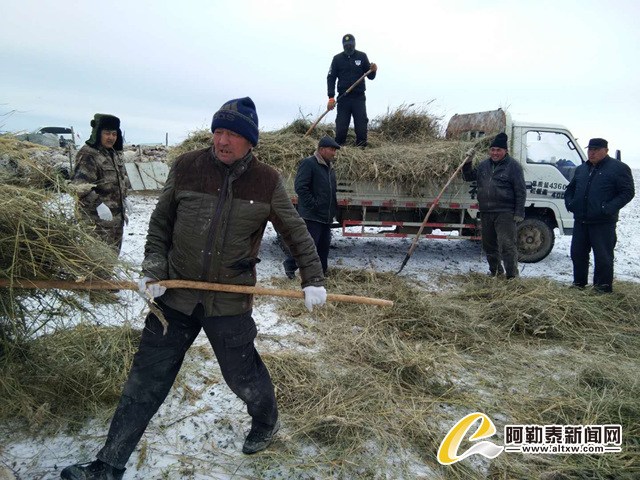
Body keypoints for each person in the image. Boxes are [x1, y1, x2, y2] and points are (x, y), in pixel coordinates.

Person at [61, 97, 328, 480]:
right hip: (175, 295)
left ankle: (265, 421)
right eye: (218, 131)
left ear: (250, 141)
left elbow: (296, 231)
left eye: (232, 134)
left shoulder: (266, 180)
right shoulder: (187, 167)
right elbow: (160, 223)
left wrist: (312, 278)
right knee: (145, 379)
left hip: (229, 301)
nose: (222, 140)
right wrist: (154, 268)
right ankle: (109, 464)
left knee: (242, 376)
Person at [564, 138, 635, 292]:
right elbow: (570, 189)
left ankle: (602, 288)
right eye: (590, 149)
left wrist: (607, 208)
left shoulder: (618, 168)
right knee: (578, 254)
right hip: (581, 220)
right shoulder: (582, 169)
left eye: (596, 150)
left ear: (606, 151)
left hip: (603, 223)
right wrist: (571, 203)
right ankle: (579, 284)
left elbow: (627, 192)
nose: (592, 153)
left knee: (603, 257)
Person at [462, 132, 526, 279]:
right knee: (489, 245)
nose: (495, 153)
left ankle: (512, 277)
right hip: (486, 211)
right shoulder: (484, 165)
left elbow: (520, 191)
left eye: (498, 150)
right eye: (493, 150)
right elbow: (467, 177)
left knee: (507, 245)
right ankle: (496, 272)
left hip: (505, 212)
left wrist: (519, 212)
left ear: (505, 151)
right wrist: (468, 162)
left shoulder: (513, 166)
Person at [70, 114, 132, 253]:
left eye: (114, 134)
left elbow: (119, 180)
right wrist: (98, 205)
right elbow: (79, 186)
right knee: (96, 261)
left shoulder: (114, 154)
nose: (111, 138)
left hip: (116, 222)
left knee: (111, 260)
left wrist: (124, 198)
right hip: (96, 223)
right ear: (98, 133)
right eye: (107, 133)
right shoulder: (89, 154)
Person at [283, 136, 339, 279]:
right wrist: (313, 205)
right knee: (307, 247)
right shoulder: (309, 163)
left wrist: (332, 208)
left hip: (326, 217)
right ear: (321, 149)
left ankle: (321, 275)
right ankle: (290, 264)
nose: (334, 153)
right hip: (312, 216)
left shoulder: (330, 168)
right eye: (331, 150)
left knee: (323, 249)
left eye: (335, 150)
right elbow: (300, 187)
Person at [327, 33, 377, 147]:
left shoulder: (362, 56)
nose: (348, 47)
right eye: (346, 45)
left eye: (350, 45)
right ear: (343, 45)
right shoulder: (337, 59)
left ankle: (362, 148)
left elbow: (370, 76)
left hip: (359, 98)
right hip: (343, 98)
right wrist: (331, 97)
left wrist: (374, 70)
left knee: (361, 125)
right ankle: (338, 148)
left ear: (354, 44)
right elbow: (331, 78)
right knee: (341, 126)